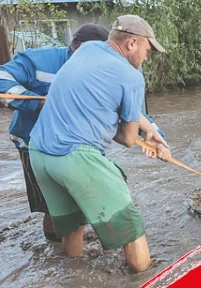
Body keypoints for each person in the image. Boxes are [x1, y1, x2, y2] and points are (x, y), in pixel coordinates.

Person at [29, 14, 170, 273]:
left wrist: (149, 130)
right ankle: (145, 278)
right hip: (75, 157)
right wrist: (138, 134)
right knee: (131, 227)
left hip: (39, 153)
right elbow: (128, 139)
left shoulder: (88, 49)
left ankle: (75, 276)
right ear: (131, 44)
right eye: (147, 50)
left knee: (73, 226)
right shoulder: (132, 77)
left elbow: (95, 96)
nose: (147, 57)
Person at [0, 23, 110, 242]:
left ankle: (67, 250)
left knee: (85, 199)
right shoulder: (39, 60)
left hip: (79, 146)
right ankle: (55, 249)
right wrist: (39, 103)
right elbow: (2, 78)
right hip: (33, 144)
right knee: (52, 205)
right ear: (76, 47)